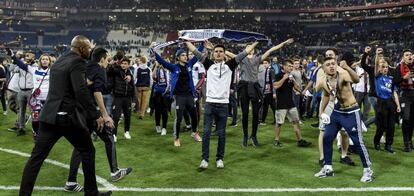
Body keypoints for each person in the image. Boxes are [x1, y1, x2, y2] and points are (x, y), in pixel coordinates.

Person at [19, 35, 111, 195]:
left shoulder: (60, 61)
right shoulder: (78, 62)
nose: (91, 50)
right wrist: (96, 115)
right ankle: (91, 193)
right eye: (89, 48)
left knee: (36, 158)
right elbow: (80, 91)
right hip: (67, 118)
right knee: (88, 150)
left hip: (48, 116)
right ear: (81, 49)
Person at [65, 48, 132, 192]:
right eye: (107, 57)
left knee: (80, 146)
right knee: (108, 138)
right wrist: (105, 115)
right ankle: (114, 172)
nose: (109, 60)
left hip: (78, 110)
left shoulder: (85, 66)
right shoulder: (99, 70)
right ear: (102, 59)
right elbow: (97, 93)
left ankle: (71, 182)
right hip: (90, 113)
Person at [197, 41, 258, 169]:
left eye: (221, 52)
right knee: (206, 133)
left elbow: (245, 53)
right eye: (216, 51)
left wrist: (257, 41)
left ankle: (220, 158)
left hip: (223, 105)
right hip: (209, 104)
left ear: (225, 54)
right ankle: (204, 159)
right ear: (213, 54)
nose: (218, 53)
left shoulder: (230, 65)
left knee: (221, 133)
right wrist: (185, 40)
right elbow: (194, 51)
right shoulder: (209, 64)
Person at [314, 57, 373, 182]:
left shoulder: (343, 75)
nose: (331, 66)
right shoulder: (323, 80)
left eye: (333, 64)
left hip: (351, 112)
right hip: (336, 112)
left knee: (358, 141)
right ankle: (327, 168)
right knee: (327, 137)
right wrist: (321, 113)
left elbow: (356, 79)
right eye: (328, 64)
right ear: (323, 68)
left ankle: (368, 170)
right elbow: (325, 95)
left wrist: (347, 67)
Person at [227, 38, 294, 147]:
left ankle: (253, 136)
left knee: (255, 114)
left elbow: (271, 50)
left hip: (254, 87)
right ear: (245, 49)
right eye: (248, 47)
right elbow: (227, 52)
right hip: (244, 87)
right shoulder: (240, 58)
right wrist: (213, 48)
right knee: (244, 113)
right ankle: (245, 135)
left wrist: (284, 43)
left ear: (254, 49)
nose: (250, 49)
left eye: (251, 47)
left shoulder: (258, 59)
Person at [151, 42, 204, 147]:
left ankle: (194, 133)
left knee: (194, 116)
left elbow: (197, 54)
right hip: (179, 96)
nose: (186, 57)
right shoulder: (173, 67)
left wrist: (202, 44)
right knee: (179, 118)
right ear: (178, 57)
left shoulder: (189, 64)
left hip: (189, 95)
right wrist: (153, 51)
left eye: (186, 55)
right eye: (183, 55)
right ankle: (176, 138)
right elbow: (160, 60)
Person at [11, 53, 52, 139]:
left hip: (48, 100)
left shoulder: (53, 71)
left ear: (49, 61)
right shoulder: (34, 69)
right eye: (43, 59)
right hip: (36, 100)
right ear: (40, 61)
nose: (44, 61)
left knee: (46, 119)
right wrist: (12, 55)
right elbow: (21, 64)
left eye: (46, 59)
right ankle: (35, 134)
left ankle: (44, 134)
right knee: (35, 119)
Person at [273, 59, 312, 148]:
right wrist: (284, 78)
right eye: (289, 66)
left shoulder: (290, 76)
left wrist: (295, 83)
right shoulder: (278, 75)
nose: (291, 67)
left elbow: (295, 87)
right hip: (281, 103)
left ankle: (300, 140)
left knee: (296, 121)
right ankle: (276, 140)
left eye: (292, 66)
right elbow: (275, 86)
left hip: (290, 103)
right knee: (279, 123)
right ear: (284, 66)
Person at [373, 57, 400, 153]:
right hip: (381, 103)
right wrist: (376, 55)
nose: (385, 68)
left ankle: (388, 145)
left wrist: (398, 105)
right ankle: (377, 142)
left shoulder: (391, 79)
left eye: (386, 67)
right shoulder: (377, 77)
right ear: (379, 69)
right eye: (383, 67)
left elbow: (394, 93)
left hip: (390, 103)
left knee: (391, 126)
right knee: (382, 126)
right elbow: (376, 65)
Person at [393, 49, 414, 152]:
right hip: (405, 95)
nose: (409, 56)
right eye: (407, 55)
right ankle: (406, 143)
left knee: (412, 121)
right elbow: (395, 82)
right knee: (406, 119)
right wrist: (404, 78)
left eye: (410, 54)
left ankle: (410, 142)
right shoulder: (399, 67)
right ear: (403, 57)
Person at [110, 57, 135, 141]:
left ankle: (127, 132)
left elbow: (133, 86)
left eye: (125, 64)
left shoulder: (130, 73)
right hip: (118, 97)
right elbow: (110, 70)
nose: (123, 65)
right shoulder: (116, 71)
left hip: (127, 98)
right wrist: (113, 63)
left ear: (128, 65)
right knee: (116, 117)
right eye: (122, 63)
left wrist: (134, 99)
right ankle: (114, 134)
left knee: (128, 116)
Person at [152, 62, 170, 135]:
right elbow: (153, 76)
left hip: (166, 92)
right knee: (158, 110)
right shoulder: (157, 70)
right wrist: (156, 66)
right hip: (158, 93)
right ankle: (158, 125)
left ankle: (164, 128)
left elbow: (170, 80)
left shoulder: (168, 71)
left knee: (165, 110)